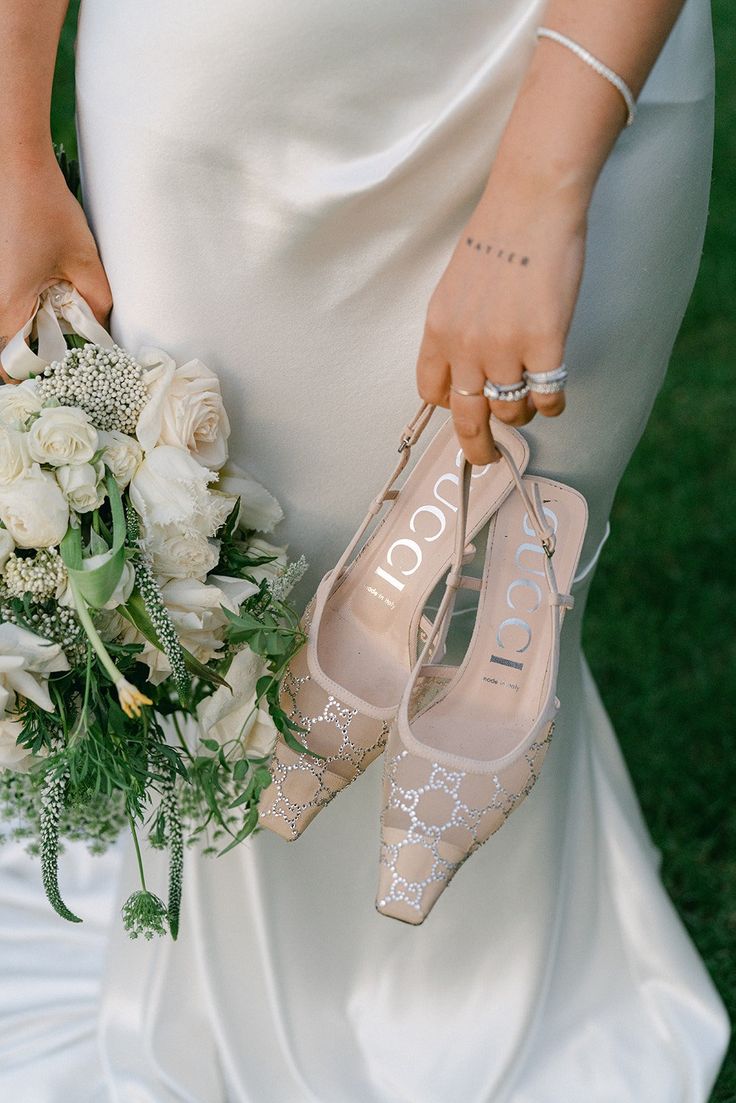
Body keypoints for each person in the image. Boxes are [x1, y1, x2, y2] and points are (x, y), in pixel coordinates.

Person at [0, 0, 729, 1099]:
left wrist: (538, 190)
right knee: (230, 606)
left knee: (506, 585)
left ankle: (502, 989)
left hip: (582, 76)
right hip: (218, 104)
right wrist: (9, 145)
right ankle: (235, 1022)